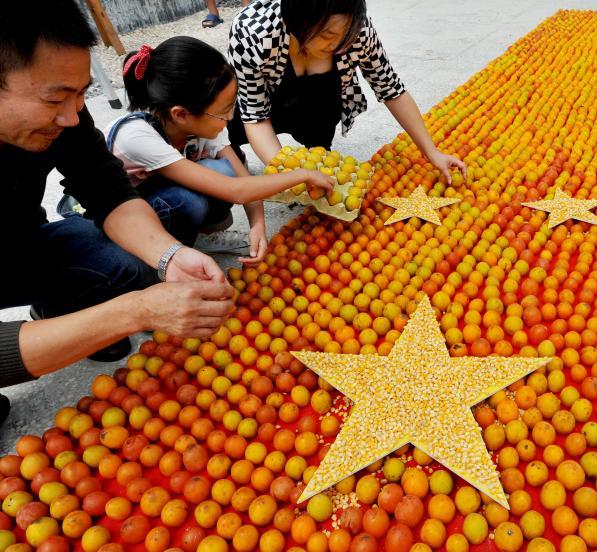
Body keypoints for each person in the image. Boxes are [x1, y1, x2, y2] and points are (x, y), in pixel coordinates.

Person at [0, 0, 235, 427]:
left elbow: (104, 185)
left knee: (127, 264)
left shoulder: (65, 112)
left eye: (80, 94)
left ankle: (52, 314)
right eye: (55, 98)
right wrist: (134, 312)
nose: (71, 116)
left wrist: (170, 256)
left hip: (17, 242)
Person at [107, 37, 334, 259]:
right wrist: (301, 175)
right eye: (224, 110)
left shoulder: (201, 124)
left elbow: (243, 181)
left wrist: (257, 226)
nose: (231, 116)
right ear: (181, 114)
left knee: (225, 169)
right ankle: (160, 250)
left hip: (162, 190)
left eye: (232, 106)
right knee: (188, 201)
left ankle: (201, 237)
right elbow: (236, 190)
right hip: (125, 214)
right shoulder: (137, 137)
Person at [227, 0, 467, 183]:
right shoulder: (252, 34)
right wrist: (289, 176)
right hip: (268, 98)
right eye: (327, 36)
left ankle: (317, 150)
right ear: (297, 22)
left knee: (320, 140)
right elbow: (255, 115)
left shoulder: (358, 31)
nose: (339, 45)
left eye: (346, 35)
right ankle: (232, 148)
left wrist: (431, 151)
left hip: (315, 102)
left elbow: (391, 87)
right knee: (230, 118)